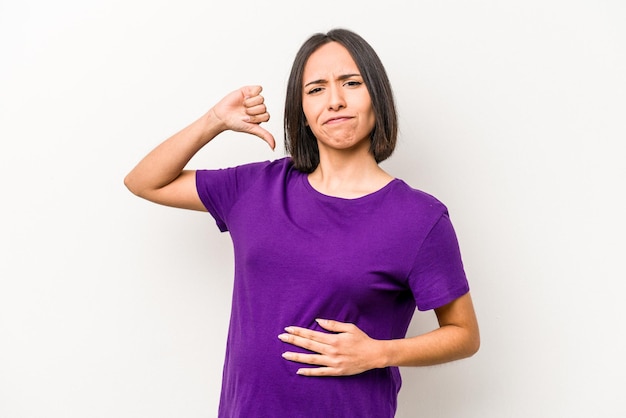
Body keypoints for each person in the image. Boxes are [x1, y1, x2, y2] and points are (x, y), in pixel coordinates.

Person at [125, 28, 479, 418]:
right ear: (303, 113)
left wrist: (379, 352)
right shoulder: (257, 188)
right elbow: (144, 181)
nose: (335, 101)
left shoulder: (418, 218)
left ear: (376, 97)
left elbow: (464, 335)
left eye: (351, 82)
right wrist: (214, 121)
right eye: (316, 89)